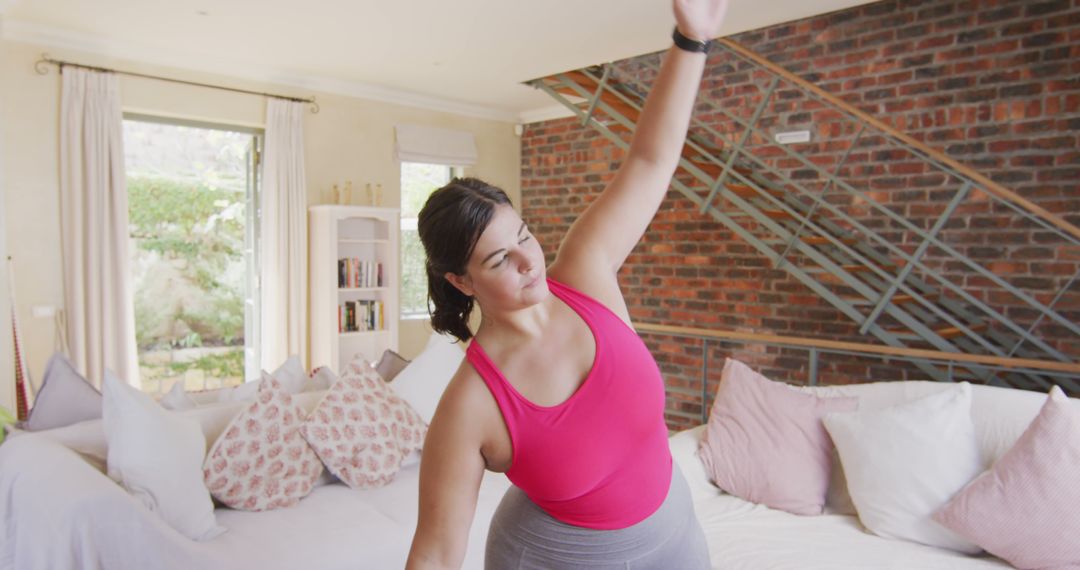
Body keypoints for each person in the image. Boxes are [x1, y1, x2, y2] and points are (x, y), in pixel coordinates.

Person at [406, 1, 729, 568]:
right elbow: (435, 550)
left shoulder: (585, 272)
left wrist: (690, 41)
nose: (530, 263)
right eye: (500, 259)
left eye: (525, 236)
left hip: (675, 530)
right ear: (462, 281)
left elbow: (650, 162)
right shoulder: (471, 405)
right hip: (560, 558)